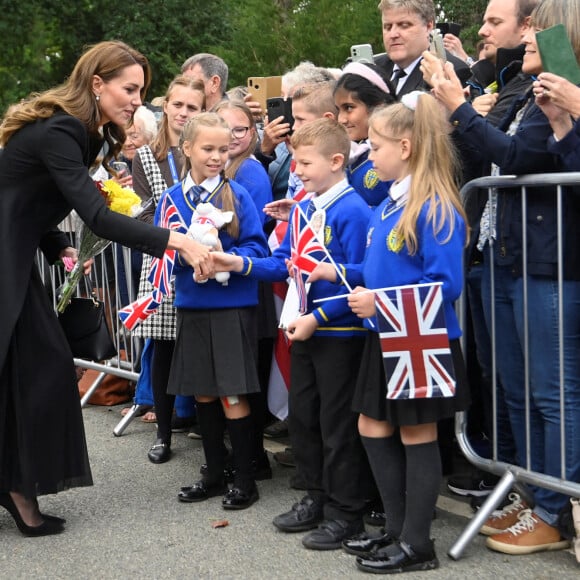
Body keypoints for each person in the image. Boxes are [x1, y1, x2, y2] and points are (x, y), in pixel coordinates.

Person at [0, 40, 211, 537]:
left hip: (15, 254)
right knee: (39, 366)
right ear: (97, 84)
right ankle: (16, 488)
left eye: (142, 91)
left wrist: (57, 246)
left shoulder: (90, 136)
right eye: (129, 89)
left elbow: (26, 192)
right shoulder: (61, 130)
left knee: (31, 369)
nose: (138, 100)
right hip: (6, 256)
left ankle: (16, 486)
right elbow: (95, 214)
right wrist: (174, 240)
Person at [425, 0, 580, 554]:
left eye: (542, 25)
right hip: (508, 255)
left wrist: (460, 106)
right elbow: (494, 161)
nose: (530, 33)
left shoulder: (558, 96)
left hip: (550, 262)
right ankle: (535, 493)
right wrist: (459, 112)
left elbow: (520, 159)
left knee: (552, 393)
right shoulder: (527, 89)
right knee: (515, 389)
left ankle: (554, 507)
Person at [311, 92, 468, 573]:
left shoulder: (435, 205)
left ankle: (418, 544)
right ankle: (397, 529)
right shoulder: (389, 205)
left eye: (376, 148)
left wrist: (378, 301)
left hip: (421, 338)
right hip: (390, 333)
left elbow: (445, 284)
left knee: (416, 433)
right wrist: (343, 273)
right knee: (371, 426)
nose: (369, 157)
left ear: (404, 147)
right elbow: (384, 269)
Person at [213, 118, 374, 550]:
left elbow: (365, 276)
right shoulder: (304, 206)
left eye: (304, 162)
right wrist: (237, 264)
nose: (296, 170)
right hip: (302, 328)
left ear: (337, 161)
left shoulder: (353, 210)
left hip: (339, 332)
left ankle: (346, 512)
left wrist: (321, 312)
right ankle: (316, 496)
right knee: (305, 418)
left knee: (337, 426)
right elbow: (283, 260)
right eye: (295, 162)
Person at [445, 0, 537, 502]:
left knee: (537, 388)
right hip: (492, 246)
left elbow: (507, 150)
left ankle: (540, 495)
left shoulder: (547, 80)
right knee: (500, 376)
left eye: (494, 21)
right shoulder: (510, 79)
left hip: (535, 256)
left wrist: (458, 108)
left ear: (530, 27)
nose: (481, 28)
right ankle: (514, 483)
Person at [166, 113, 269, 510]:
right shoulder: (173, 198)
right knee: (204, 392)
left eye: (222, 150)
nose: (215, 157)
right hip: (193, 304)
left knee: (231, 392)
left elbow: (258, 251)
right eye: (207, 149)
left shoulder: (236, 194)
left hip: (230, 306)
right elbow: (162, 253)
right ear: (186, 148)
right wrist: (184, 261)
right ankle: (213, 472)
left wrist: (225, 258)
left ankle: (245, 477)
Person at [130, 75, 206, 463]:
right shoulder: (146, 156)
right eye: (178, 105)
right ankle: (163, 432)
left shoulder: (207, 150)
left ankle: (206, 427)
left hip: (203, 258)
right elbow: (143, 212)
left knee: (202, 341)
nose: (183, 113)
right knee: (162, 347)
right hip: (162, 261)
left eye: (193, 107)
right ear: (166, 107)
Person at [374, 0, 471, 97]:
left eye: (404, 26)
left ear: (429, 27)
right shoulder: (374, 67)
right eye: (388, 27)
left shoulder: (450, 72)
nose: (393, 34)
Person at [334, 61, 397, 208]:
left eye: (349, 108)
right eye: (339, 110)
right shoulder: (354, 154)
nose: (341, 119)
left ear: (378, 106)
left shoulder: (393, 158)